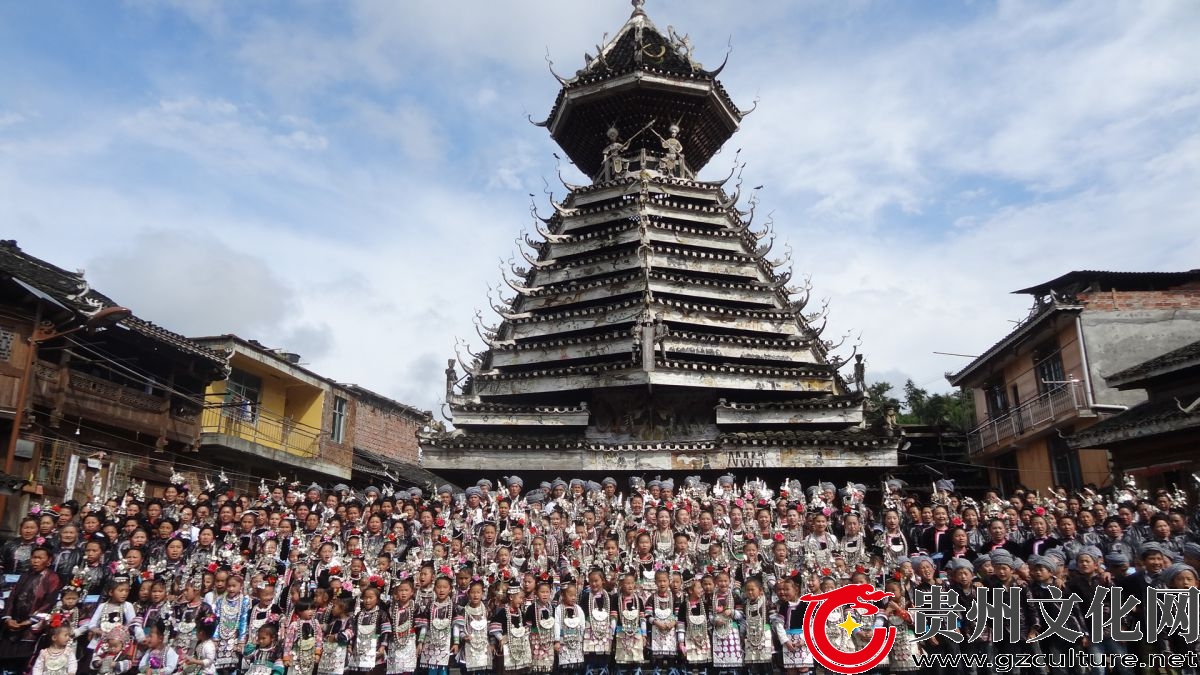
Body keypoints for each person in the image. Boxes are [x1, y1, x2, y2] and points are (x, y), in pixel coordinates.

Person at [1, 546, 63, 672]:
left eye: (40, 558)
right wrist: (8, 618)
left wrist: (30, 621)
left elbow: (49, 603)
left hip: (32, 627)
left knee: (21, 663)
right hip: (12, 624)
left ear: (49, 560)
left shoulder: (52, 578)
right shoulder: (25, 575)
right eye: (34, 557)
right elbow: (12, 598)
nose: (35, 561)